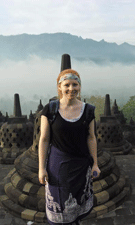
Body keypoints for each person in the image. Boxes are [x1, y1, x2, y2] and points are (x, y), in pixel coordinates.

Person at [38, 69, 101, 225]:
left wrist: (95, 164)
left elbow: (91, 138)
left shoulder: (88, 110)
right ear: (60, 87)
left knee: (77, 204)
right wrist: (41, 168)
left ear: (80, 87)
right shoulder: (50, 110)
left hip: (81, 166)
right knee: (59, 206)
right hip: (58, 166)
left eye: (75, 84)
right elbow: (44, 139)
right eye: (67, 85)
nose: (71, 89)